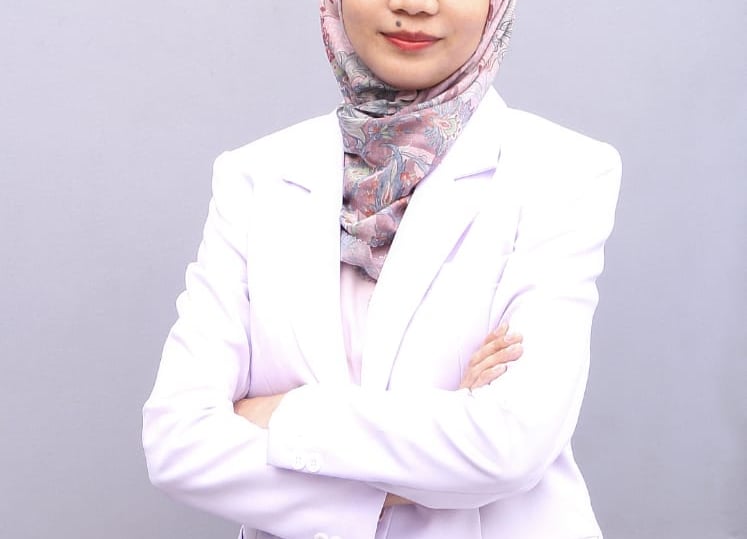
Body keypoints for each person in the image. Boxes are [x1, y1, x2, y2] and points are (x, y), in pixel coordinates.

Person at [142, 0, 622, 538]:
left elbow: (510, 446)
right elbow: (177, 445)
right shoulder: (256, 176)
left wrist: (282, 416)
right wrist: (437, 458)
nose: (415, 5)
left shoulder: (562, 171)